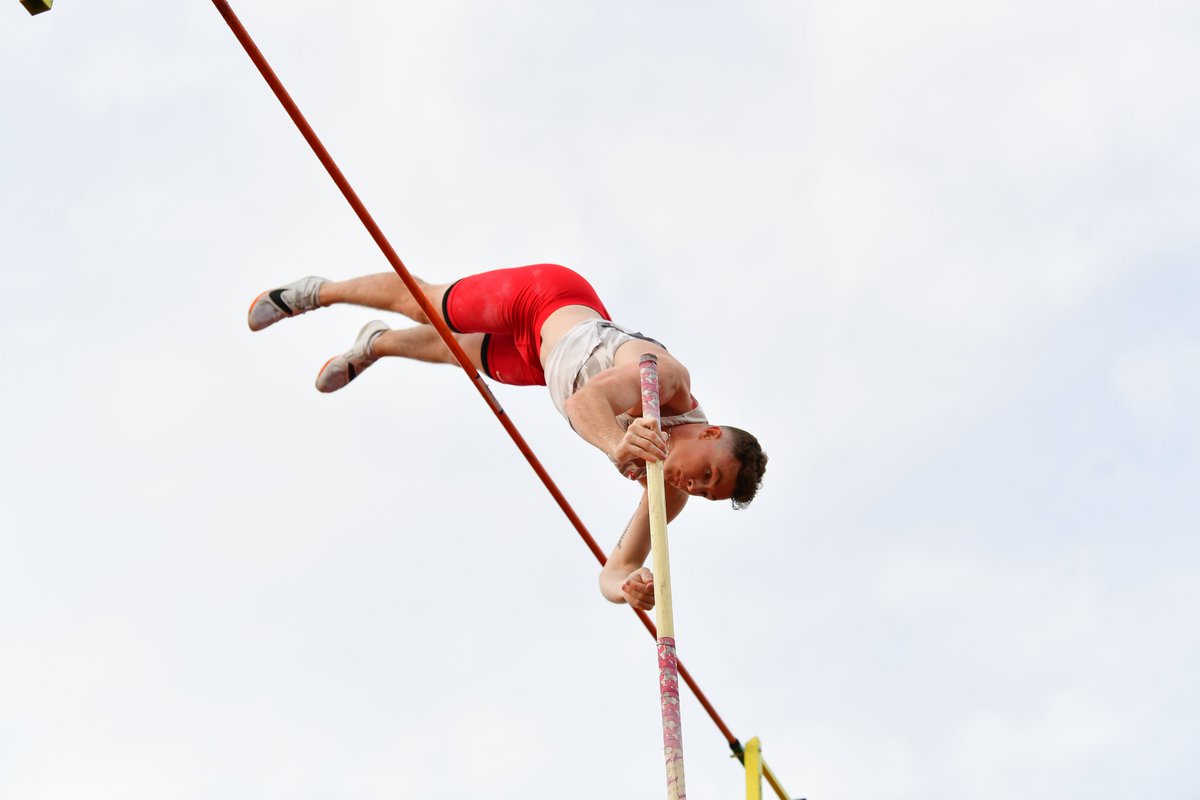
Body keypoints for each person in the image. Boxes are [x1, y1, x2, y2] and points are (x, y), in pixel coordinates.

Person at [248, 263, 767, 610]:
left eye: (706, 492)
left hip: (541, 364)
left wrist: (627, 587)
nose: (694, 486)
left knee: (454, 350)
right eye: (708, 473)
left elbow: (615, 569)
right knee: (426, 304)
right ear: (709, 432)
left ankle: (375, 345)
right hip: (543, 301)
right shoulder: (666, 382)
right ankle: (317, 292)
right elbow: (586, 403)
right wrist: (616, 444)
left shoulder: (668, 494)